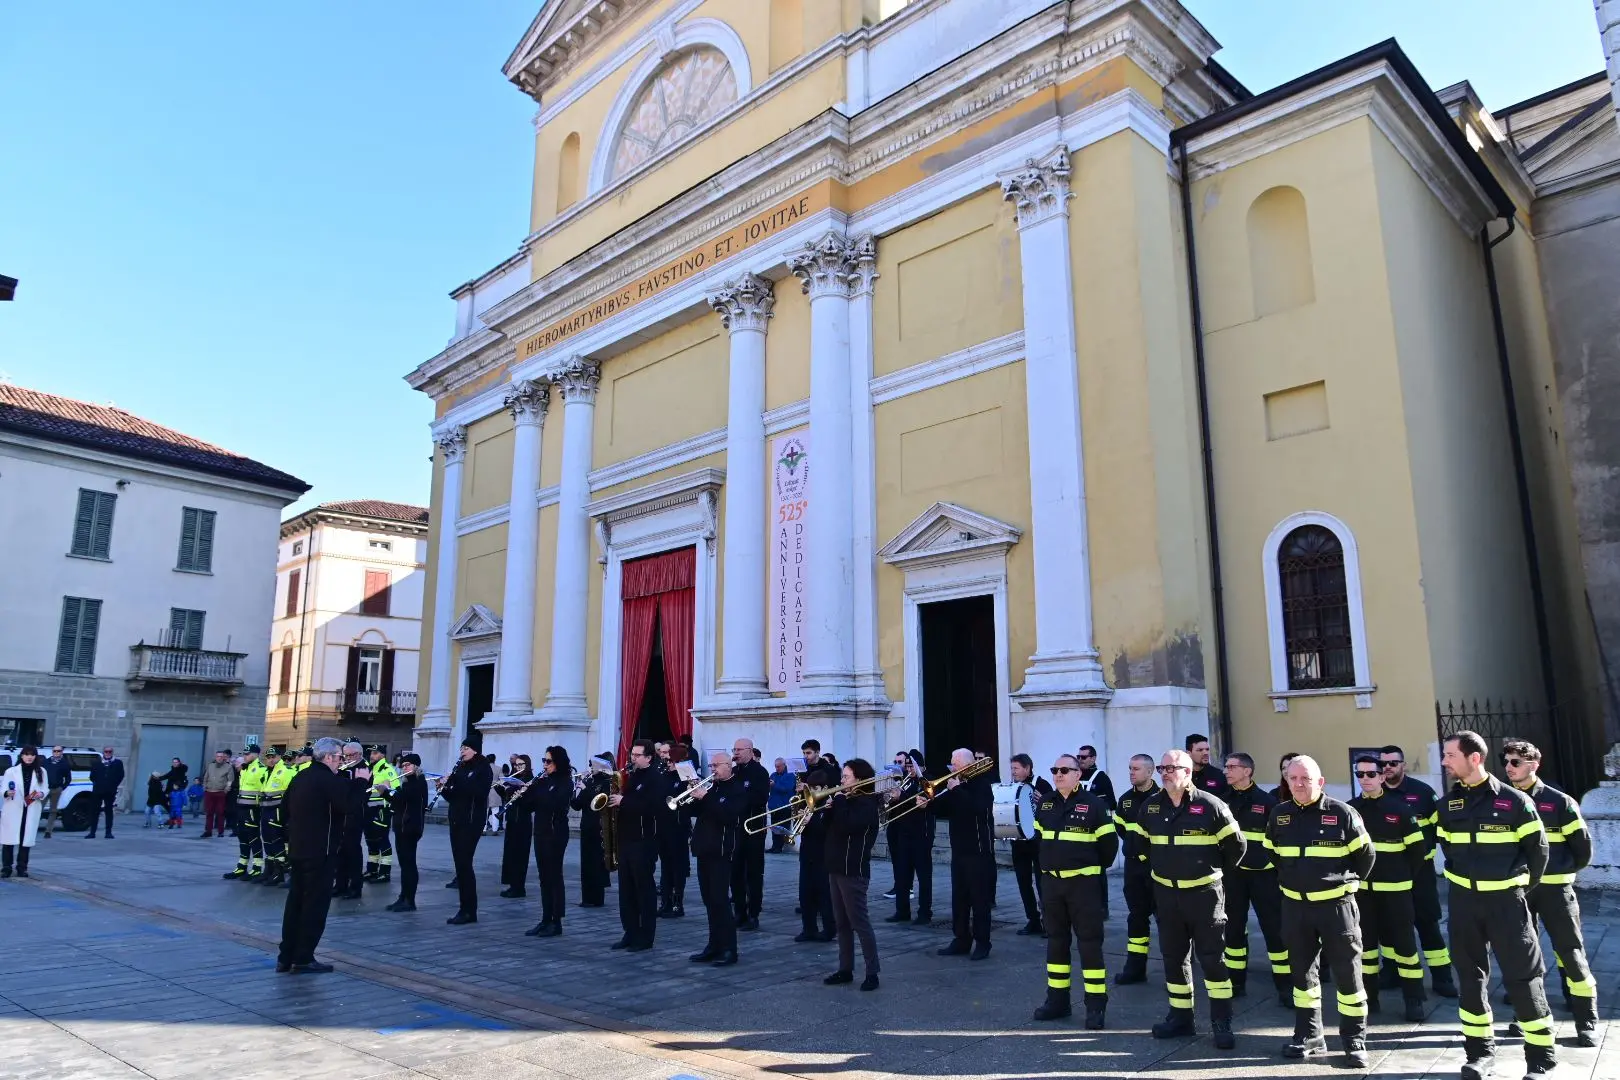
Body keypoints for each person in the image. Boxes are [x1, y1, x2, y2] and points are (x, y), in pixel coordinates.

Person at [1438, 730, 1554, 1080]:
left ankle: (1540, 1060)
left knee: (1523, 978)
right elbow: (1448, 849)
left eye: (1450, 755)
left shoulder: (1515, 802)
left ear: (1474, 758)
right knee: (1470, 981)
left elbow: (1539, 852)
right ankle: (1479, 1055)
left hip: (1506, 904)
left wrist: (1517, 887)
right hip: (1463, 904)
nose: (1444, 762)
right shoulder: (1447, 805)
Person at [1268, 754, 1374, 1068]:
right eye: (1293, 779)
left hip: (1335, 907)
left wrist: (1341, 885)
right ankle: (1309, 1035)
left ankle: (1354, 1040)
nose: (1299, 784)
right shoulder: (1279, 814)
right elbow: (1273, 854)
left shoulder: (1343, 813)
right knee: (1301, 975)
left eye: (1306, 778)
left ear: (1320, 782)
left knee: (1347, 975)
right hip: (1295, 907)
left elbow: (1365, 857)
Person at [1139, 748, 1244, 1048]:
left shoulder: (1211, 805)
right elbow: (1141, 846)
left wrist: (1210, 873)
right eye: (1162, 768)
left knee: (1212, 960)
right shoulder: (1151, 807)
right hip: (1167, 895)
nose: (1166, 773)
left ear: (1188, 772)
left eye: (1173, 768)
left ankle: (1221, 1022)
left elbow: (1236, 848)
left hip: (1204, 895)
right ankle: (1181, 1017)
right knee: (1174, 959)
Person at [1500, 739, 1597, 1046]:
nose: (1508, 767)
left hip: (1555, 890)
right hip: (1520, 890)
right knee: (1524, 957)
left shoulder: (1560, 802)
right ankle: (1527, 1016)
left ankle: (1586, 1021)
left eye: (1515, 762)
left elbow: (1582, 850)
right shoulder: (1506, 801)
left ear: (1533, 764)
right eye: (1506, 761)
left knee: (1571, 954)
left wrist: (1560, 874)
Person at [1030, 752, 1119, 1026]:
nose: (1058, 774)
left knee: (1090, 945)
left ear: (1078, 774)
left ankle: (1095, 1006)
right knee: (1056, 943)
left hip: (1083, 886)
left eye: (1064, 770)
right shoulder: (1045, 803)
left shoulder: (1093, 805)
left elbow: (1109, 849)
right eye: (1055, 769)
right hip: (1052, 885)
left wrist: (1085, 868)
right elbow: (1038, 841)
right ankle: (1057, 1001)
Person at [1349, 753, 1428, 1023]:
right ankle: (1370, 998)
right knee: (1366, 948)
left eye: (1371, 774)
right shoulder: (1350, 810)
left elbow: (1419, 852)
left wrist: (1402, 877)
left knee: (1405, 947)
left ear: (1383, 776)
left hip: (1396, 891)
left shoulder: (1401, 810)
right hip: (1363, 894)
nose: (1365, 779)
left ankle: (1414, 999)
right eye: (1360, 774)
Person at [1380, 743, 1456, 997]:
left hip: (1420, 874)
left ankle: (1442, 977)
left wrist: (1433, 857)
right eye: (1383, 764)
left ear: (1403, 765)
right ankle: (1392, 973)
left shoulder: (1423, 793)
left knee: (1428, 925)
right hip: (1389, 876)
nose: (1387, 767)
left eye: (1393, 763)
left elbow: (1441, 830)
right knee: (1389, 927)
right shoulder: (1375, 795)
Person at [1220, 752, 1288, 1006]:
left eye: (1232, 767)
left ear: (1247, 771)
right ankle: (1235, 982)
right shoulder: (1222, 801)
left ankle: (1285, 985)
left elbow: (1281, 840)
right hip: (1233, 876)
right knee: (1233, 930)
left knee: (1275, 930)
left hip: (1264, 877)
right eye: (1226, 766)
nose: (1226, 771)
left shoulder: (1268, 803)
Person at [276, 737, 347, 974]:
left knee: (295, 902)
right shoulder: (327, 779)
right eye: (339, 757)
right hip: (321, 852)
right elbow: (347, 806)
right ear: (328, 757)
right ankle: (304, 957)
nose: (341, 762)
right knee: (314, 905)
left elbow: (283, 811)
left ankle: (285, 956)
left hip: (298, 849)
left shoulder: (300, 777)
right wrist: (359, 784)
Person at [922, 747, 996, 960]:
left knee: (979, 899)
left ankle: (983, 942)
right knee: (959, 898)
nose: (951, 767)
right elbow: (944, 808)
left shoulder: (982, 783)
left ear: (965, 763)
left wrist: (956, 790)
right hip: (960, 849)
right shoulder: (957, 784)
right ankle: (961, 939)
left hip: (978, 850)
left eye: (954, 763)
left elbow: (977, 808)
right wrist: (927, 804)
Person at [824, 757, 882, 991]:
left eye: (846, 777)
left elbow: (849, 826)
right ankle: (845, 968)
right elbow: (830, 828)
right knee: (842, 923)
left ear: (859, 779)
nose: (841, 782)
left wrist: (838, 802)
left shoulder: (866, 804)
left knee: (859, 922)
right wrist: (828, 810)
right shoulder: (846, 801)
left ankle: (872, 972)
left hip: (854, 870)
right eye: (842, 777)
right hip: (837, 867)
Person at [687, 750, 743, 966]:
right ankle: (714, 945)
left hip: (721, 851)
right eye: (711, 766)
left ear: (728, 766)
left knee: (720, 901)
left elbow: (728, 815)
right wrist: (693, 793)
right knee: (709, 901)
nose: (713, 770)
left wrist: (706, 796)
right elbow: (695, 811)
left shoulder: (736, 789)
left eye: (716, 766)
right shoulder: (713, 787)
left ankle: (729, 949)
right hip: (703, 849)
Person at [610, 738, 662, 951]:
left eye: (637, 755)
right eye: (632, 754)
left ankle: (645, 936)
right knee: (626, 890)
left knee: (644, 890)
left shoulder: (655, 778)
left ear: (649, 757)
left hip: (643, 841)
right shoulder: (632, 776)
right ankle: (630, 931)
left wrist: (624, 801)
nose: (633, 758)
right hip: (626, 839)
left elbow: (652, 807)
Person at [1113, 753, 1159, 984]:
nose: (1131, 772)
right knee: (1136, 917)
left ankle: (1178, 970)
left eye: (1136, 769)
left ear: (1150, 772)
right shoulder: (1125, 800)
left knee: (1168, 920)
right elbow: (1121, 829)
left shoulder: (1163, 799)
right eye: (1130, 768)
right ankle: (1135, 968)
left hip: (1158, 867)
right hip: (1134, 868)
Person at [439, 740, 493, 925]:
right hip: (456, 819)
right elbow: (454, 796)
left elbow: (478, 792)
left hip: (471, 821)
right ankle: (465, 908)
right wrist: (444, 787)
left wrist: (457, 782)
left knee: (465, 864)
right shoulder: (461, 768)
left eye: (466, 748)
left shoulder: (483, 768)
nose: (462, 752)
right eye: (461, 748)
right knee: (460, 866)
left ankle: (468, 910)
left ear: (475, 750)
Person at [524, 745, 573, 938]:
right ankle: (545, 918)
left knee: (554, 876)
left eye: (549, 761)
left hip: (556, 833)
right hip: (541, 832)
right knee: (543, 877)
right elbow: (530, 806)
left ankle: (556, 920)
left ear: (558, 762)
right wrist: (521, 793)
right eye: (543, 761)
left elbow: (558, 805)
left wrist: (538, 791)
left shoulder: (565, 782)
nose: (545, 765)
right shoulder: (543, 782)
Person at [795, 739, 840, 943]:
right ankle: (808, 928)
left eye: (813, 789)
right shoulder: (809, 805)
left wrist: (811, 819)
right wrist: (800, 816)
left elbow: (826, 830)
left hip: (823, 852)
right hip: (807, 851)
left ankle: (829, 929)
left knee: (824, 892)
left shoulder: (828, 808)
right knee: (805, 891)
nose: (810, 793)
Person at [885, 749, 933, 925]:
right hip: (904, 832)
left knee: (923, 876)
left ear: (921, 766)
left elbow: (924, 799)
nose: (909, 769)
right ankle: (902, 910)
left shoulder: (926, 780)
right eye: (907, 766)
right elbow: (899, 806)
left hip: (922, 833)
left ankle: (925, 912)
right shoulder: (906, 781)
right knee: (902, 873)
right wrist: (891, 799)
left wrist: (902, 795)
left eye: (912, 766)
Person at [1008, 753, 1054, 936]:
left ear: (1027, 768)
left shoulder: (1042, 784)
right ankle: (1032, 920)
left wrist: (1043, 800)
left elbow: (1053, 809)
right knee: (1023, 882)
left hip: (1038, 842)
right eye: (1012, 768)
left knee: (1043, 884)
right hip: (1019, 843)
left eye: (1016, 768)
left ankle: (1048, 922)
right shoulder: (1012, 786)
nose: (1013, 772)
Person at [729, 737, 771, 931]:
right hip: (735, 828)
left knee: (753, 873)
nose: (735, 753)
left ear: (749, 751)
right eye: (734, 749)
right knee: (735, 872)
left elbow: (760, 798)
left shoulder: (760, 772)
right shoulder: (734, 771)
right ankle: (739, 911)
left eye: (739, 750)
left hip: (754, 828)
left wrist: (737, 798)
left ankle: (753, 913)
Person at [386, 752, 430, 912]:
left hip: (410, 828)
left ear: (416, 766)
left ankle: (409, 900)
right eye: (403, 765)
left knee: (409, 864)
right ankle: (403, 896)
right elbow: (399, 802)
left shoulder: (417, 782)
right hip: (402, 827)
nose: (404, 767)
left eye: (407, 765)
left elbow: (401, 800)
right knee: (405, 864)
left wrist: (387, 791)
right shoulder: (409, 781)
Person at [572, 753, 615, 907]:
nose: (591, 767)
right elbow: (576, 804)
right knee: (586, 862)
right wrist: (577, 787)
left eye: (594, 765)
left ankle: (596, 898)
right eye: (590, 764)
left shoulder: (606, 782)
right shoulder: (590, 781)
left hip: (599, 827)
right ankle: (586, 897)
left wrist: (586, 788)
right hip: (586, 826)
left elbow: (600, 802)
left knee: (596, 863)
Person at [654, 741, 690, 918]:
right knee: (666, 867)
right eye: (667, 761)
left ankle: (677, 904)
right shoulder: (664, 776)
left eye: (671, 761)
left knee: (678, 867)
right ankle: (665, 903)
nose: (667, 763)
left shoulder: (686, 778)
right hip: (663, 827)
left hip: (678, 828)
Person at [1, 746, 48, 878]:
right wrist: (7, 792)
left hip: (30, 809)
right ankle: (6, 867)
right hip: (13, 809)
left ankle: (22, 867)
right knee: (9, 840)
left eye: (32, 755)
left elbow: (45, 788)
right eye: (27, 754)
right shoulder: (11, 771)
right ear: (21, 756)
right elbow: (3, 789)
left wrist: (41, 793)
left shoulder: (41, 771)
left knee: (25, 840)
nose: (29, 757)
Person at [332, 743, 370, 898]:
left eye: (349, 755)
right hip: (342, 813)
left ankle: (355, 887)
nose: (346, 758)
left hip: (355, 814)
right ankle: (340, 884)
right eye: (344, 755)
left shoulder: (363, 768)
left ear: (358, 754)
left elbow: (360, 790)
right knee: (340, 851)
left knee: (353, 851)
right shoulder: (344, 768)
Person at [228, 744, 267, 878]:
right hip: (241, 807)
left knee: (253, 837)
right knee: (242, 836)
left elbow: (265, 789)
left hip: (253, 808)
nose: (245, 756)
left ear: (256, 754)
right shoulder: (244, 769)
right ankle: (242, 865)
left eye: (248, 754)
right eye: (244, 754)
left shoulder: (261, 769)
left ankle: (257, 866)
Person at [499, 754, 536, 898]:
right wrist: (501, 787)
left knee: (520, 855)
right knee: (510, 854)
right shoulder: (516, 779)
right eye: (516, 765)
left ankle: (519, 887)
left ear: (527, 765)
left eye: (521, 765)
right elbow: (506, 797)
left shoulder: (530, 781)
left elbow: (531, 803)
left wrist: (522, 793)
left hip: (523, 821)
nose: (517, 767)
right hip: (512, 820)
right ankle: (512, 884)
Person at [258, 747, 296, 886]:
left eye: (273, 757)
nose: (270, 759)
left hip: (277, 810)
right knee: (267, 840)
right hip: (266, 809)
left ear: (279, 756)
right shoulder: (268, 772)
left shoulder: (286, 771)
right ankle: (269, 870)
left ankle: (279, 873)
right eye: (268, 757)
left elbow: (291, 793)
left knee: (276, 841)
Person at [362, 745, 400, 883]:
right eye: (371, 753)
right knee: (370, 841)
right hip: (368, 811)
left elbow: (396, 790)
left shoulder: (387, 770)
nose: (372, 755)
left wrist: (387, 789)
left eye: (375, 753)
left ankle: (384, 873)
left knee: (382, 840)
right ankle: (372, 869)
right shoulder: (369, 769)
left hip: (381, 811)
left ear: (383, 755)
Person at [86, 745, 124, 839]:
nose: (108, 753)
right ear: (103, 752)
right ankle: (92, 832)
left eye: (110, 752)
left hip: (110, 791)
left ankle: (108, 832)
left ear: (112, 752)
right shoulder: (97, 763)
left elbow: (121, 775)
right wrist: (98, 783)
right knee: (94, 812)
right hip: (98, 790)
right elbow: (92, 776)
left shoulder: (117, 763)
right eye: (106, 751)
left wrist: (114, 784)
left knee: (109, 811)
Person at [767, 757, 796, 854]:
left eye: (779, 766)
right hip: (774, 806)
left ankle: (780, 847)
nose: (777, 768)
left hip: (785, 807)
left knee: (783, 828)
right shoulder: (773, 775)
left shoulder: (790, 775)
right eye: (775, 766)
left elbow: (786, 788)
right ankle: (774, 846)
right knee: (774, 828)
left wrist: (774, 785)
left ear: (784, 765)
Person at [41, 746, 70, 840]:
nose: (56, 752)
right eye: (55, 751)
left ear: (62, 752)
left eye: (59, 751)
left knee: (53, 811)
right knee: (38, 808)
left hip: (56, 789)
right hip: (45, 789)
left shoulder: (64, 764)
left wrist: (62, 788)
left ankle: (48, 831)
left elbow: (68, 778)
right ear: (52, 752)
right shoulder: (46, 761)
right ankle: (31, 828)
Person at [1186, 734, 1228, 799]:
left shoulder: (1219, 775)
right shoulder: (1183, 776)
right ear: (1189, 753)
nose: (1205, 753)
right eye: (1200, 750)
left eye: (1207, 749)